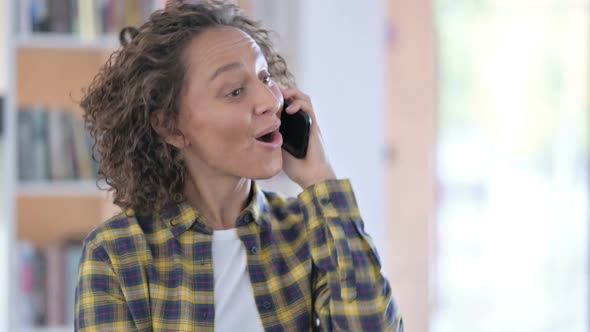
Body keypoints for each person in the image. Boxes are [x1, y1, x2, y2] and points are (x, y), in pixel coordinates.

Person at [74, 1, 403, 331]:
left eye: (266, 77)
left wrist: (320, 179)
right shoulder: (116, 254)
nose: (269, 102)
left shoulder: (305, 229)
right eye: (234, 91)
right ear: (170, 127)